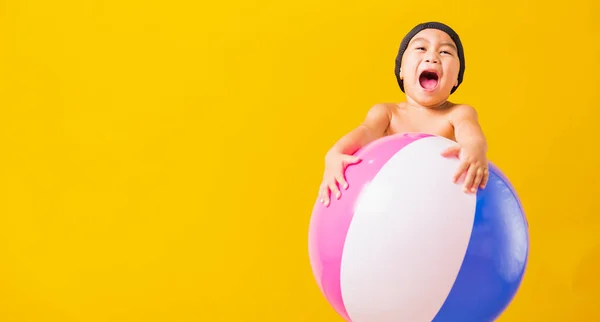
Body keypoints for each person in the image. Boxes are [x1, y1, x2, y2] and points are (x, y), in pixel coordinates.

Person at [319, 21, 489, 207]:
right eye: (421, 48)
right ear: (401, 70)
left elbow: (469, 131)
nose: (432, 57)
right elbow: (365, 131)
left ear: (456, 78)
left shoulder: (457, 113)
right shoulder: (388, 113)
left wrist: (474, 148)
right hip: (389, 202)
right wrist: (336, 153)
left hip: (439, 205)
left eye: (445, 52)